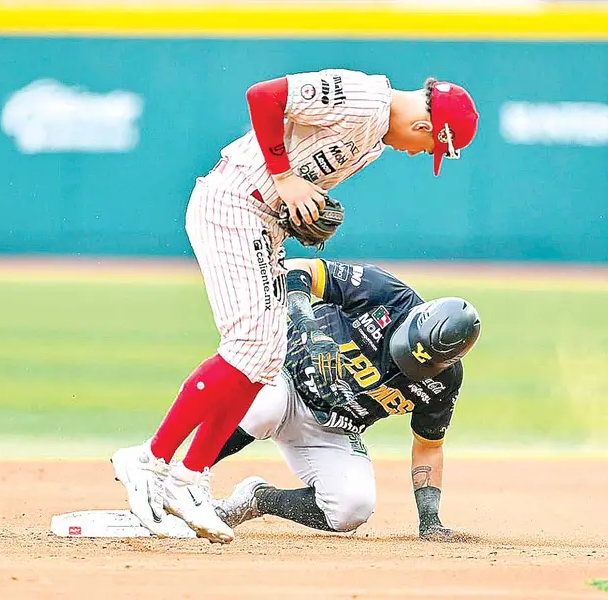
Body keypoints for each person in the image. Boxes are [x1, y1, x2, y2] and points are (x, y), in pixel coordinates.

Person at [111, 69, 480, 544]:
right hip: (234, 205)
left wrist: (298, 208)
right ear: (429, 128)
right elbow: (263, 96)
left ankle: (188, 479)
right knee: (248, 347)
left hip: (264, 221)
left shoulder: (372, 142)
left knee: (263, 359)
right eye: (426, 149)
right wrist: (285, 178)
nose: (416, 153)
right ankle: (150, 460)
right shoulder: (365, 98)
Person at [211, 258, 481, 539]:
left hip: (333, 427)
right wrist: (309, 327)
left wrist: (430, 520)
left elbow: (428, 447)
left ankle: (256, 499)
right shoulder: (386, 293)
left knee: (351, 509)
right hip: (283, 378)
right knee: (263, 410)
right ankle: (184, 482)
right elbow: (296, 269)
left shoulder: (443, 383)